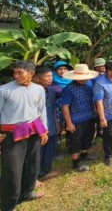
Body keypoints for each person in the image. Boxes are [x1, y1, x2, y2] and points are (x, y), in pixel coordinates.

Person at [0, 60, 48, 211]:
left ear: (31, 73)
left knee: (32, 164)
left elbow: (41, 111)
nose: (16, 75)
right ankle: (8, 204)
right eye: (15, 72)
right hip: (12, 134)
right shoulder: (4, 90)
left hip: (34, 131)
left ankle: (26, 193)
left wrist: (44, 130)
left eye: (20, 72)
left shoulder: (39, 89)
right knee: (12, 170)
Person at [61, 64, 98, 172]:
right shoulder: (68, 89)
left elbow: (92, 99)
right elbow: (65, 107)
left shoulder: (89, 84)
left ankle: (84, 154)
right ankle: (75, 163)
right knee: (75, 141)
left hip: (89, 117)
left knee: (88, 137)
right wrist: (68, 123)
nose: (84, 80)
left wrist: (95, 110)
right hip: (76, 120)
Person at [33, 66, 59, 180]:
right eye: (47, 76)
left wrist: (56, 123)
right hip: (36, 128)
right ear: (37, 78)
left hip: (50, 126)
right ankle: (34, 176)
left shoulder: (51, 91)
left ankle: (45, 171)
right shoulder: (32, 93)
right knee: (36, 152)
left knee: (49, 151)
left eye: (51, 76)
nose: (50, 78)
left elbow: (53, 108)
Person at [92, 58, 106, 138]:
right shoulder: (93, 76)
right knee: (98, 114)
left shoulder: (105, 74)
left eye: (103, 65)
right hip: (96, 98)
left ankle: (104, 130)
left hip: (105, 98)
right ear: (96, 67)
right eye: (100, 66)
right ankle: (99, 131)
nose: (103, 67)